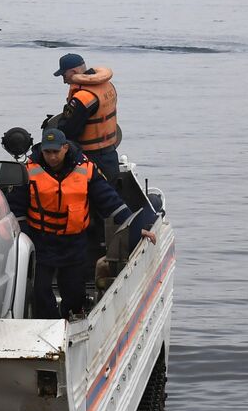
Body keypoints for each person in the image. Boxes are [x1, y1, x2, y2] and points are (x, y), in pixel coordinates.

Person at [14, 127, 157, 319]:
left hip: (74, 242)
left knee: (74, 293)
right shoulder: (29, 170)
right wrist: (25, 237)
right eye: (47, 152)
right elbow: (17, 208)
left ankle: (71, 319)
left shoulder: (85, 168)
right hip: (42, 241)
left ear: (65, 148)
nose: (52, 157)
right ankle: (50, 323)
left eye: (56, 152)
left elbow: (109, 200)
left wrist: (137, 228)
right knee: (39, 290)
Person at [51, 52, 121, 184]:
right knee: (109, 195)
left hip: (92, 159)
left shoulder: (83, 98)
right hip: (111, 156)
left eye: (64, 75)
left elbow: (68, 131)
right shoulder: (108, 86)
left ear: (74, 71)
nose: (64, 80)